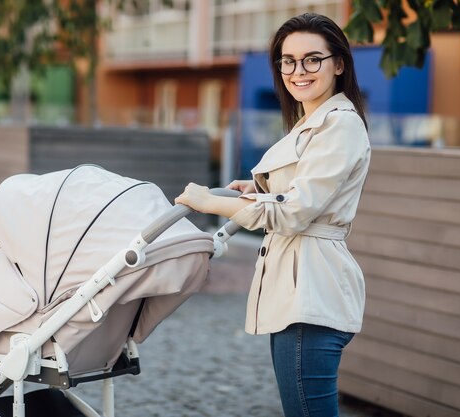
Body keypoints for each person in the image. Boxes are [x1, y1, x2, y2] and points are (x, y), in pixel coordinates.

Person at [175, 12, 371, 417]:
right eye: (288, 60)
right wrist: (259, 189)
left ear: (339, 63)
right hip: (298, 288)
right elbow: (305, 192)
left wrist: (209, 203)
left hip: (311, 290)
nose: (298, 71)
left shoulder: (339, 125)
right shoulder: (313, 121)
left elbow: (294, 213)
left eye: (312, 59)